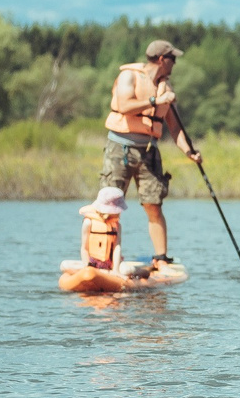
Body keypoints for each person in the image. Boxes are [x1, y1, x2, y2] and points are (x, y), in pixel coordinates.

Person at [103, 39, 202, 265]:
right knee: (110, 204)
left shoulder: (166, 88)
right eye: (172, 59)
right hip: (121, 148)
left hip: (149, 151)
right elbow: (123, 105)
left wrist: (190, 152)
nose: (174, 64)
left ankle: (161, 259)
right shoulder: (130, 76)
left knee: (153, 204)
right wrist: (156, 100)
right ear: (161, 59)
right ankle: (104, 258)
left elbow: (175, 128)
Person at [75, 187, 146, 279]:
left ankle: (144, 272)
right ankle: (97, 271)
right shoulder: (88, 223)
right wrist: (87, 267)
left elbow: (117, 247)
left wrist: (115, 270)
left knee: (126, 270)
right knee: (64, 265)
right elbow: (84, 248)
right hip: (92, 263)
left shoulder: (117, 226)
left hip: (112, 263)